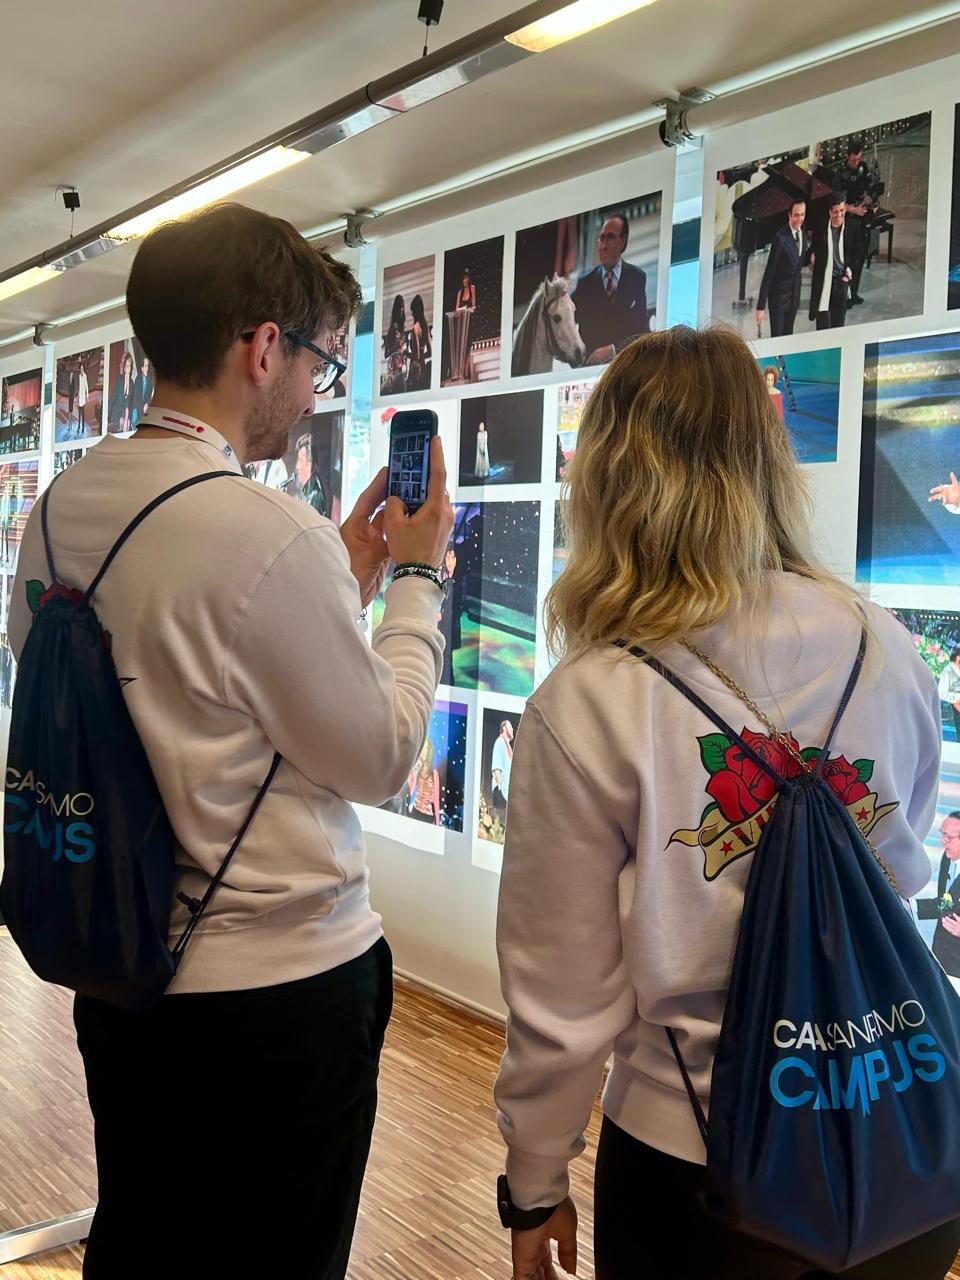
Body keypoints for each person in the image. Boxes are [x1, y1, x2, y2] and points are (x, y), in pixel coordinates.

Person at [9, 201, 454, 1280]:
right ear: (262, 348)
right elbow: (383, 753)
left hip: (120, 971)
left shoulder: (59, 510)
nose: (314, 391)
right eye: (316, 362)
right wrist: (415, 579)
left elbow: (192, 676)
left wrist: (338, 575)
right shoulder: (266, 531)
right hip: (277, 999)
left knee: (146, 1238)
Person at [493, 324, 960, 1280]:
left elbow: (564, 998)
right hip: (901, 1131)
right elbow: (902, 860)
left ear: (608, 480)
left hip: (703, 1168)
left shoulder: (591, 701)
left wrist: (534, 1183)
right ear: (768, 461)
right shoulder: (885, 646)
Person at [571, 212, 649, 365]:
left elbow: (642, 331)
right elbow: (565, 320)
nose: (603, 246)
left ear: (623, 242)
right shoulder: (585, 284)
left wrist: (613, 350)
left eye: (611, 238)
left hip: (624, 366)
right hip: (591, 371)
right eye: (601, 238)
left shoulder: (637, 277)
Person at [917, 812, 960, 984]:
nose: (942, 841)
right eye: (942, 834)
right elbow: (946, 903)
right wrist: (910, 906)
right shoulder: (948, 858)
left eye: (948, 837)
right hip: (942, 956)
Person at [755, 200, 809, 337]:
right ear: (789, 215)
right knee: (778, 338)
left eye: (802, 215)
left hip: (794, 294)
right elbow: (769, 272)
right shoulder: (780, 238)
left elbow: (797, 262)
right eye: (796, 215)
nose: (800, 219)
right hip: (779, 298)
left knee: (789, 335)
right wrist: (761, 306)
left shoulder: (803, 234)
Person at [809, 193, 853, 330]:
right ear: (830, 212)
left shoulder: (852, 228)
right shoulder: (821, 228)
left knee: (838, 323)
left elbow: (857, 254)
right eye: (836, 212)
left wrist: (848, 275)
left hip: (841, 281)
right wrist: (812, 254)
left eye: (842, 210)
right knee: (822, 323)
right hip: (824, 281)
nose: (839, 215)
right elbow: (814, 246)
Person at [287, 429, 328, 517]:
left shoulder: (315, 495)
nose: (297, 466)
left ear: (310, 464)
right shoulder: (306, 489)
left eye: (300, 460)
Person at [409, 738, 441, 824]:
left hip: (426, 815)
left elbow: (436, 800)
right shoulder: (417, 769)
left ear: (428, 752)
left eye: (425, 748)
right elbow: (411, 791)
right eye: (422, 747)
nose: (423, 751)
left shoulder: (434, 773)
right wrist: (415, 770)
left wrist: (437, 823)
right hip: (415, 811)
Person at [490, 718, 514, 826]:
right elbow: (497, 767)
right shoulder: (500, 742)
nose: (512, 729)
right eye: (510, 727)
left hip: (507, 793)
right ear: (504, 728)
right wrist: (499, 787)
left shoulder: (507, 746)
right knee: (500, 823)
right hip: (501, 792)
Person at [383, 295, 407, 393]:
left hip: (401, 367)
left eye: (402, 307)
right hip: (394, 369)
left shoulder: (401, 328)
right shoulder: (392, 329)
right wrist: (396, 347)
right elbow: (386, 354)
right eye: (399, 307)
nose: (401, 310)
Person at [408, 294, 432, 392]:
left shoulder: (415, 329)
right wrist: (422, 357)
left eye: (413, 311)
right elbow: (430, 352)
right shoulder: (425, 326)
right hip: (423, 367)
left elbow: (416, 355)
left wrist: (405, 353)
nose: (412, 314)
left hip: (415, 369)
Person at [109, 351, 136, 433]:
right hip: (117, 412)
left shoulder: (132, 383)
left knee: (128, 419)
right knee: (126, 422)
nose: (128, 368)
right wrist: (107, 412)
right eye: (127, 366)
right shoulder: (119, 380)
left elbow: (132, 402)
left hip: (126, 413)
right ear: (124, 368)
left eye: (130, 366)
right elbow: (113, 396)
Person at [938, 648, 960, 740]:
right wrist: (957, 697)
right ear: (958, 658)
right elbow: (941, 693)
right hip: (955, 704)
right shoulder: (947, 672)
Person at [130, 353, 154, 426]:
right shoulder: (138, 379)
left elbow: (149, 397)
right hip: (136, 407)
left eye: (148, 366)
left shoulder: (150, 382)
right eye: (145, 366)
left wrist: (146, 404)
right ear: (142, 368)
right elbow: (135, 398)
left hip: (145, 407)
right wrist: (142, 407)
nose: (147, 368)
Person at [77, 357, 90, 437]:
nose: (81, 370)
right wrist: (78, 394)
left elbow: (86, 386)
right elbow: (79, 386)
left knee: (83, 413)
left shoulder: (85, 376)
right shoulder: (79, 376)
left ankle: (82, 428)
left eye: (82, 369)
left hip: (83, 397)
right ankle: (78, 427)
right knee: (79, 412)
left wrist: (87, 395)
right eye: (80, 369)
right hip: (80, 396)